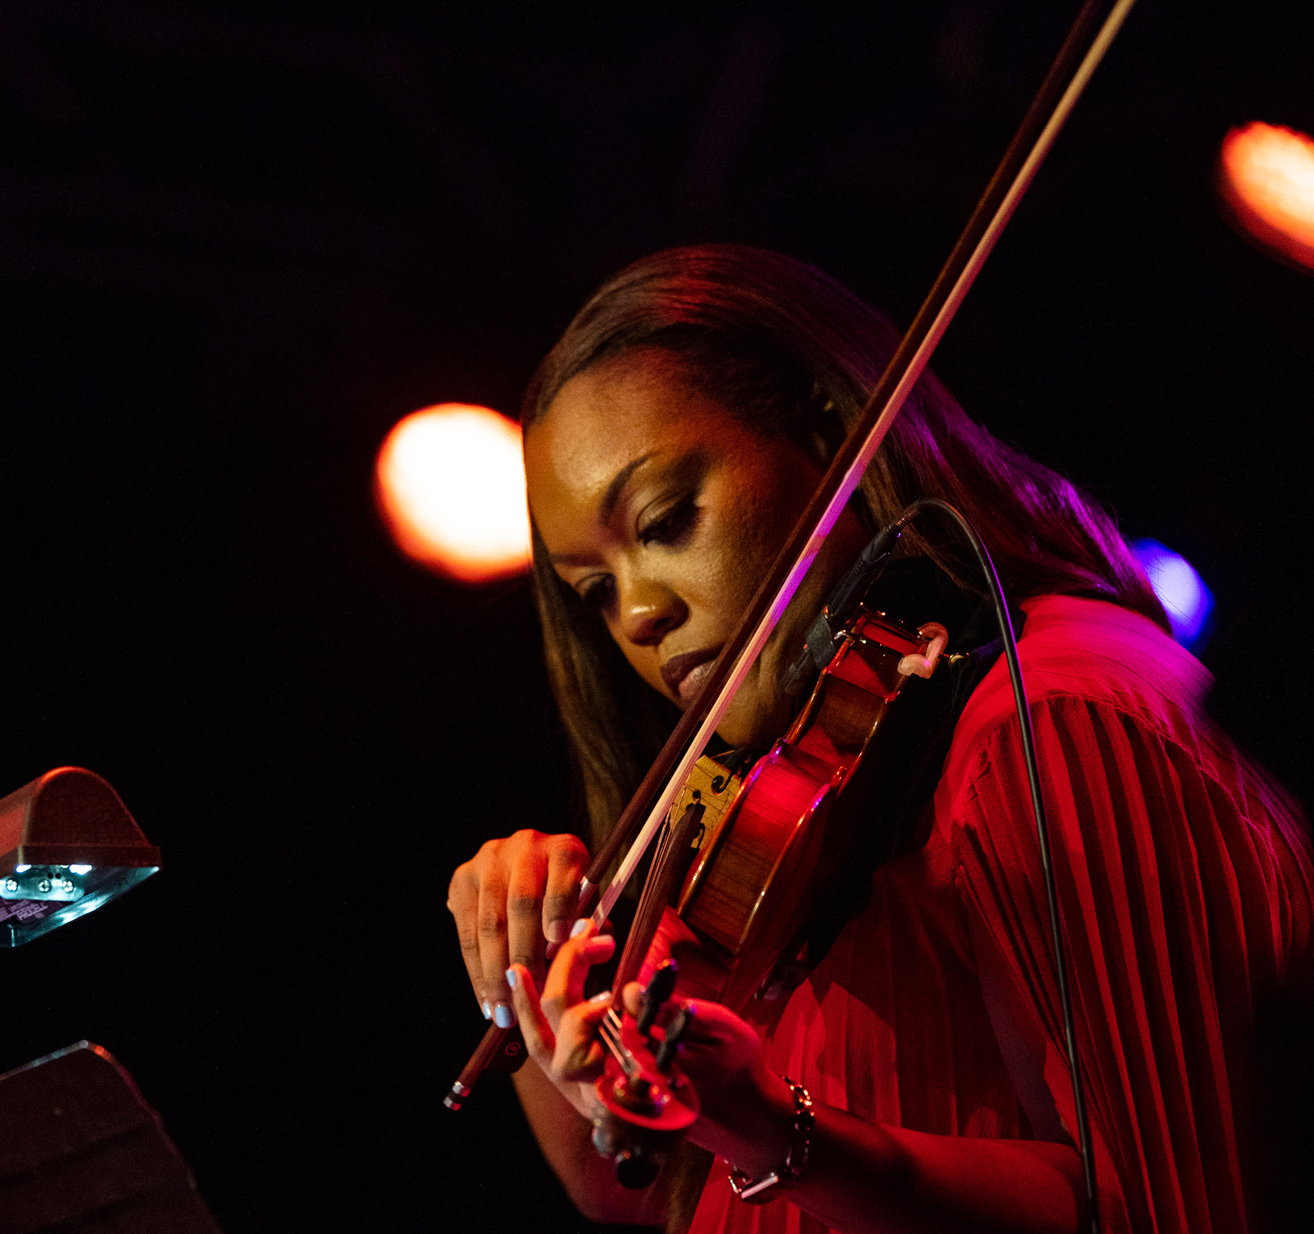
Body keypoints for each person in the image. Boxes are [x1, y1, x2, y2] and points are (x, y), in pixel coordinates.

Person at [446, 245, 1314, 1233]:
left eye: (667, 519)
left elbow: (1181, 1204)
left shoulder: (1055, 716)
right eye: (595, 590)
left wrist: (779, 1131)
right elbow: (627, 1185)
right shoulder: (807, 801)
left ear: (830, 426)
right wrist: (534, 968)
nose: (639, 613)